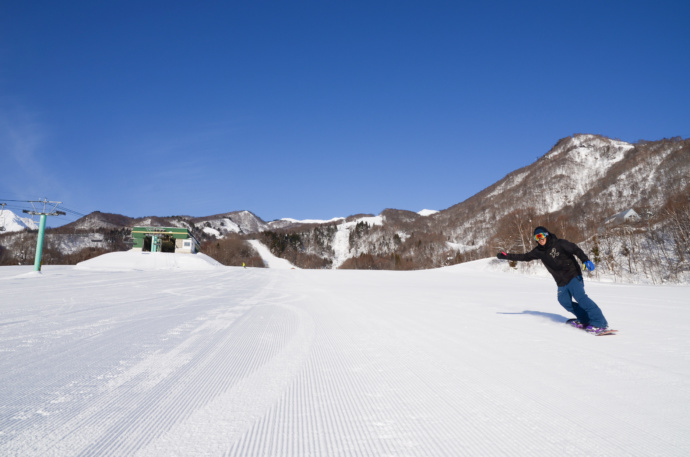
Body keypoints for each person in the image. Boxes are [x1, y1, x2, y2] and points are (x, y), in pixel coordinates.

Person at [496, 226, 610, 334]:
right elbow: (524, 257)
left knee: (581, 298)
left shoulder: (560, 243)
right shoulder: (538, 251)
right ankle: (584, 319)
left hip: (573, 275)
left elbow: (576, 249)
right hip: (561, 281)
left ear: (546, 235)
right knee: (564, 301)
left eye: (541, 236)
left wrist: (585, 260)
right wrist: (506, 256)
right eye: (536, 237)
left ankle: (600, 323)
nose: (540, 239)